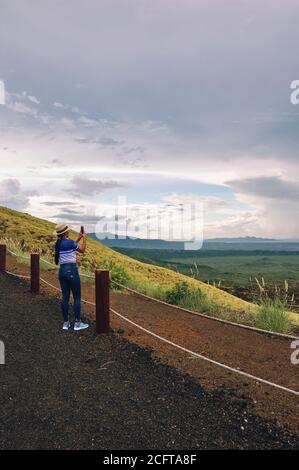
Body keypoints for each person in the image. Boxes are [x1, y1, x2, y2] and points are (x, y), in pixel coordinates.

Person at [53, 223, 89, 331]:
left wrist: (77, 239)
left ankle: (66, 323)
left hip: (62, 271)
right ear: (65, 232)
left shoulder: (58, 244)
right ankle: (78, 323)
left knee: (65, 297)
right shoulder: (69, 243)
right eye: (67, 230)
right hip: (72, 270)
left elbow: (71, 247)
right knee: (77, 297)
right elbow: (82, 250)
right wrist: (84, 239)